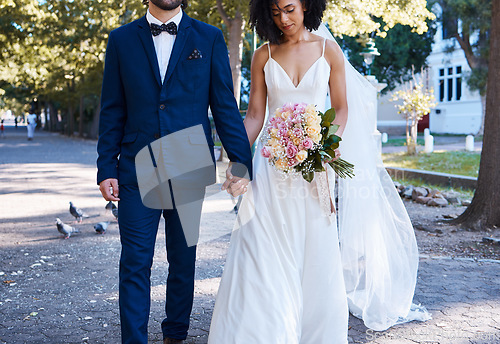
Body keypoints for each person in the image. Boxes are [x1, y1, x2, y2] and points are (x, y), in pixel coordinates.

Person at [208, 0, 430, 342]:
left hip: (313, 170)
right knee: (260, 246)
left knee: (314, 251)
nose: (283, 18)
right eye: (276, 12)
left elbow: (341, 110)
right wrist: (237, 160)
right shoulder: (263, 55)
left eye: (290, 9)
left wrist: (327, 144)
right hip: (271, 168)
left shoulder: (329, 51)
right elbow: (254, 115)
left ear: (306, 6)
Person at [96, 0, 252, 343]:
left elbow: (224, 106)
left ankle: (175, 333)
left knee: (183, 263)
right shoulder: (121, 39)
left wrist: (241, 163)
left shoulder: (209, 37)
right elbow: (112, 109)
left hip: (189, 164)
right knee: (135, 263)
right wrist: (106, 167)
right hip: (136, 168)